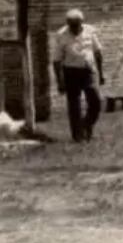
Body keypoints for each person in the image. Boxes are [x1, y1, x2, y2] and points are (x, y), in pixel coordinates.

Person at [52, 9, 105, 143]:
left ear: (82, 22)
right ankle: (78, 136)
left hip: (88, 70)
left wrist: (101, 73)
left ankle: (86, 124)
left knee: (96, 101)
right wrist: (60, 81)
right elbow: (57, 60)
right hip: (71, 72)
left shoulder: (90, 31)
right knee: (74, 105)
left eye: (77, 25)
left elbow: (98, 53)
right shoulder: (61, 35)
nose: (75, 28)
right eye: (72, 25)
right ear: (68, 24)